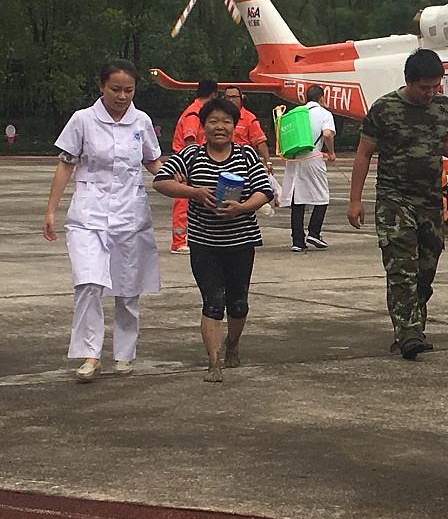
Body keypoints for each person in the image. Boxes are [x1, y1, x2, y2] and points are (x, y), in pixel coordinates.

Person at [348, 48, 448, 360]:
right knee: (402, 269)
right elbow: (363, 154)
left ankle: (415, 326)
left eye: (435, 86)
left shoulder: (443, 107)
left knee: (425, 270)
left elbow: (444, 144)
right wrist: (355, 200)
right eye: (424, 87)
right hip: (394, 200)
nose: (430, 93)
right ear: (408, 81)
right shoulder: (384, 109)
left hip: (430, 201)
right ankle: (408, 334)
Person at [42, 59, 162, 382]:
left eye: (129, 90)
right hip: (88, 215)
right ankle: (90, 355)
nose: (122, 97)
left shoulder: (141, 121)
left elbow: (153, 161)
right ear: (101, 87)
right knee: (88, 282)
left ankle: (124, 354)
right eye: (115, 89)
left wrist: (181, 183)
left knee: (128, 287)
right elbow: (66, 164)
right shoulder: (83, 120)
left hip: (130, 214)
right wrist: (51, 210)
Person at [153, 97, 274, 382]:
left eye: (226, 122)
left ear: (235, 126)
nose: (220, 127)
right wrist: (193, 192)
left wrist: (242, 208)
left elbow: (264, 191)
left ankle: (233, 343)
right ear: (203, 126)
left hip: (241, 241)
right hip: (204, 243)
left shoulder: (246, 156)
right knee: (213, 301)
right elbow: (160, 181)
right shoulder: (191, 155)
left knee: (238, 303)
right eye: (213, 121)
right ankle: (213, 362)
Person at [280, 85, 336, 252]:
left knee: (298, 198)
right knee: (322, 196)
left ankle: (297, 241)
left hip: (294, 157)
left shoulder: (296, 113)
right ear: (321, 98)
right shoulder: (325, 114)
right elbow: (327, 134)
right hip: (313, 157)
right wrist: (331, 152)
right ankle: (314, 232)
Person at [170, 79, 218, 254]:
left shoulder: (196, 111)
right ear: (213, 94)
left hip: (191, 162)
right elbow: (190, 140)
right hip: (187, 164)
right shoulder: (194, 113)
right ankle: (178, 241)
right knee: (183, 203)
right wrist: (194, 162)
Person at [222, 85, 273, 173]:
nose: (230, 100)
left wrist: (268, 161)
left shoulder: (249, 119)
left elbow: (260, 142)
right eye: (227, 97)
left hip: (242, 163)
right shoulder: (218, 117)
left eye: (234, 97)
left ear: (241, 98)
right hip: (222, 161)